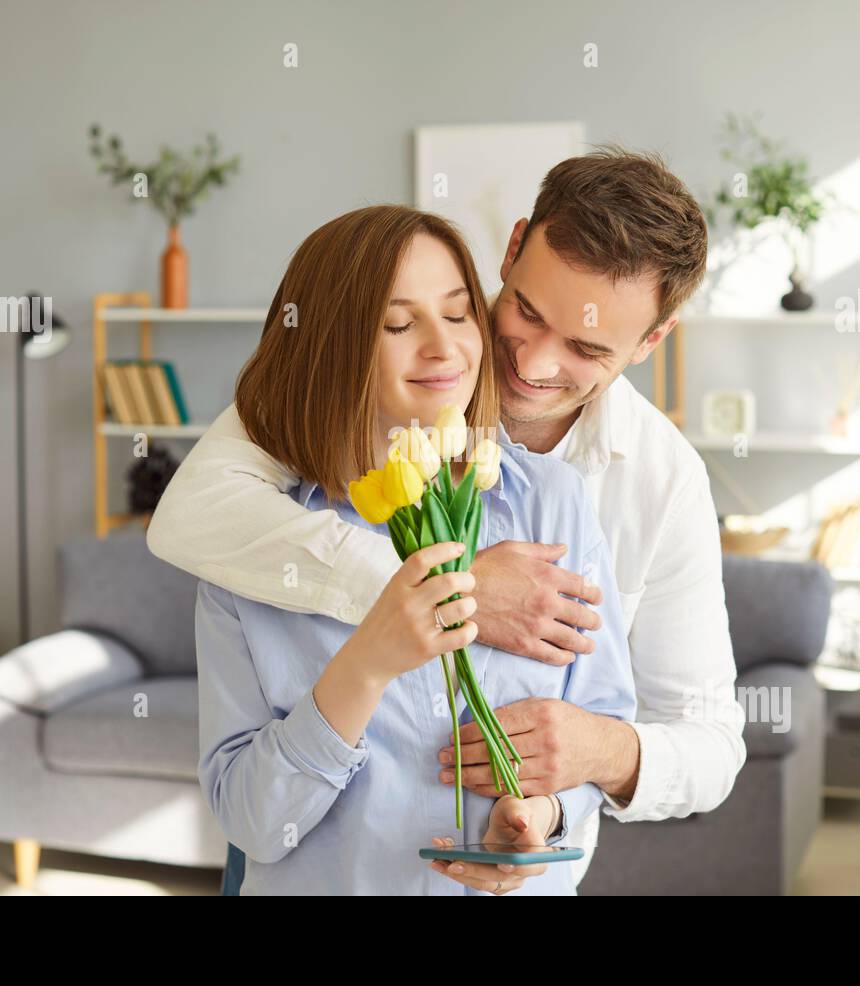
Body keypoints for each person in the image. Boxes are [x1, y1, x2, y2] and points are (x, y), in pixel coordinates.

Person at [151, 148, 746, 893]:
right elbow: (195, 512)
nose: (530, 363)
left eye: (586, 347)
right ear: (512, 249)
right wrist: (446, 594)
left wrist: (591, 760)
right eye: (524, 311)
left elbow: (709, 743)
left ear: (650, 342)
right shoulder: (294, 468)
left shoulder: (639, 485)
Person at [194, 204, 636, 895]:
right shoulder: (257, 540)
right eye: (399, 325)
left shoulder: (552, 500)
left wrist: (541, 814)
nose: (443, 348)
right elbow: (251, 824)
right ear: (331, 346)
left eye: (459, 315)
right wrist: (366, 665)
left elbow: (601, 724)